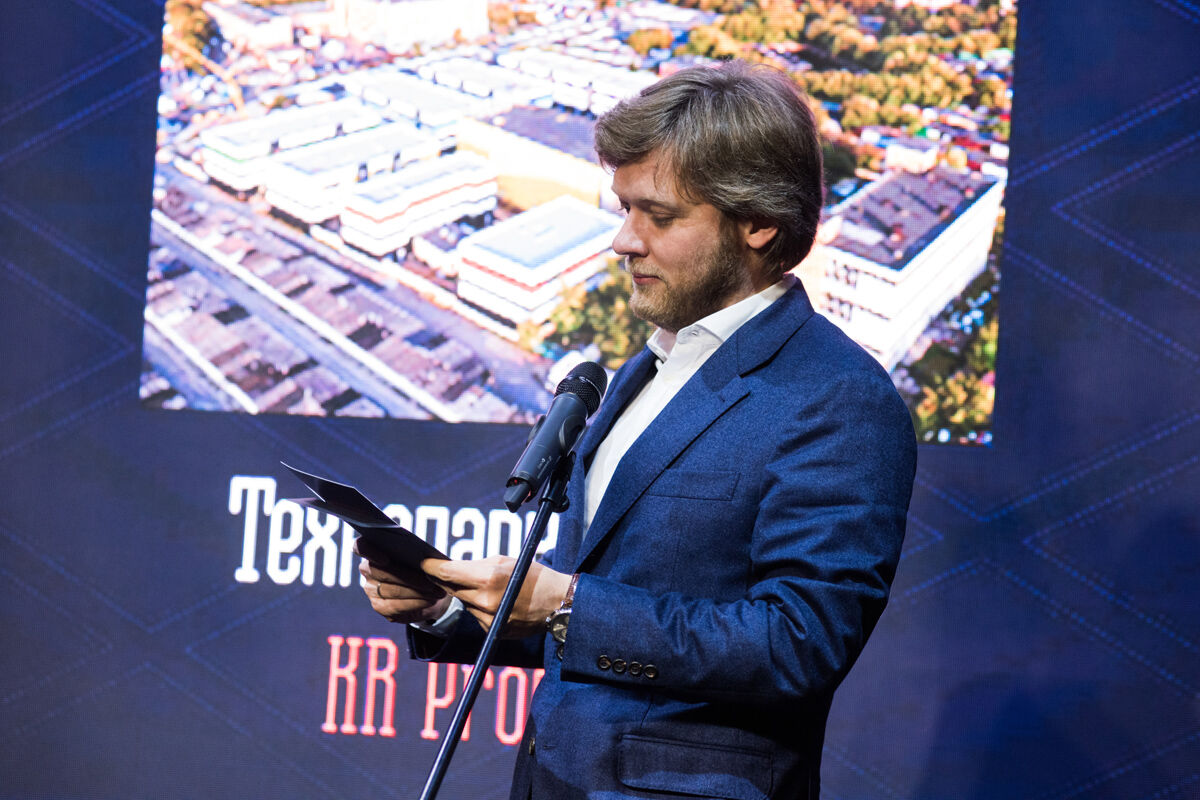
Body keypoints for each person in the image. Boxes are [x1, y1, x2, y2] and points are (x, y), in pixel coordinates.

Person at [357, 60, 917, 800]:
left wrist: (563, 604)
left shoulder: (839, 399)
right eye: (624, 209)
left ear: (759, 223)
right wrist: (448, 610)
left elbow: (799, 643)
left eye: (659, 215)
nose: (624, 240)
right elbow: (600, 611)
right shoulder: (643, 369)